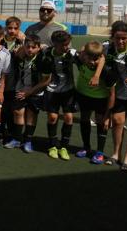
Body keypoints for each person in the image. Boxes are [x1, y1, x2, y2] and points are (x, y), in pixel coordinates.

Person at [4, 35, 50, 152]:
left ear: (39, 48)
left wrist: (29, 92)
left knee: (31, 115)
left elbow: (46, 80)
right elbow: (16, 52)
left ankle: (28, 141)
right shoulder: (20, 56)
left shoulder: (43, 59)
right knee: (17, 112)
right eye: (27, 47)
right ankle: (16, 139)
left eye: (33, 47)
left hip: (35, 91)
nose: (30, 49)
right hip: (20, 89)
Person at [74, 41, 115, 164]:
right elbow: (79, 50)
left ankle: (100, 152)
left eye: (95, 58)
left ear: (100, 57)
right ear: (84, 54)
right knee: (84, 119)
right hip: (84, 96)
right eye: (89, 57)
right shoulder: (80, 59)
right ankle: (86, 147)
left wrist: (108, 115)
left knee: (100, 122)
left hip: (101, 99)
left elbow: (112, 94)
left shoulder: (106, 71)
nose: (92, 62)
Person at [104, 21, 127, 171]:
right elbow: (86, 50)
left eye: (124, 38)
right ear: (112, 37)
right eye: (117, 38)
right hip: (118, 92)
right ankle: (116, 153)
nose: (121, 41)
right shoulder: (108, 47)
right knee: (117, 121)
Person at [40, 30, 77, 161]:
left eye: (68, 44)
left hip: (68, 90)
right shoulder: (46, 53)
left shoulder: (72, 53)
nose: (67, 47)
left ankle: (64, 147)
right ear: (55, 44)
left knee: (68, 117)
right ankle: (53, 146)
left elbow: (86, 57)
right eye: (64, 45)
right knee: (52, 117)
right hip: (52, 90)